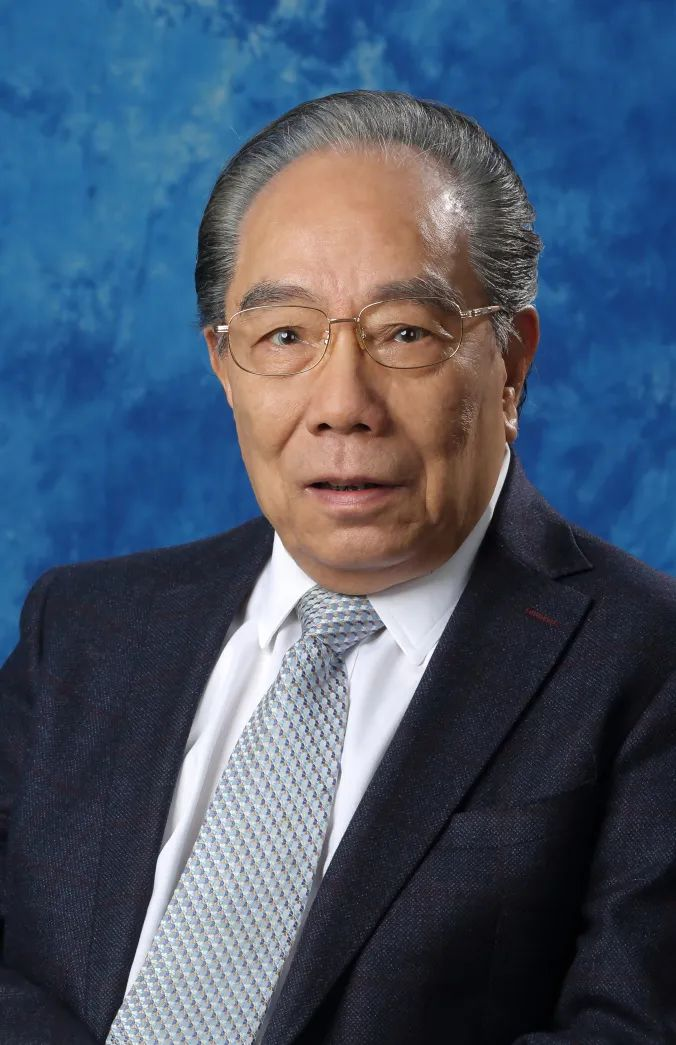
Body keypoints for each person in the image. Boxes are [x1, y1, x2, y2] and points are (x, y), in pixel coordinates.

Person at [1, 90, 675, 1045]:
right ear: (223, 364)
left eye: (406, 332)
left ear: (511, 364)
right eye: (285, 335)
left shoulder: (646, 663)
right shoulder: (84, 627)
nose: (342, 404)